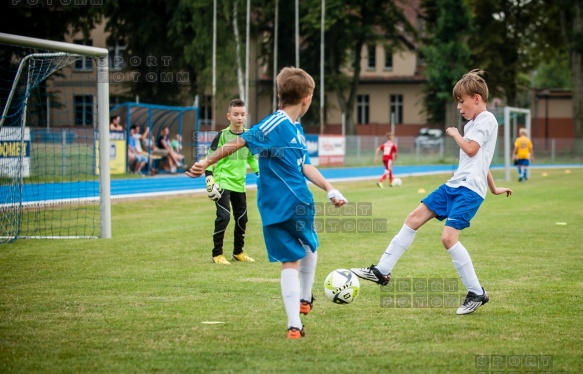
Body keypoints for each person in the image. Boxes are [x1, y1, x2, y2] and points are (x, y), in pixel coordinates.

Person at [186, 67, 348, 339]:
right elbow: (239, 142)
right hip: (295, 201)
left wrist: (330, 188)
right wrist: (207, 161)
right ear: (307, 98)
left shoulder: (296, 129)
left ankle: (295, 323)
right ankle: (305, 299)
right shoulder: (277, 123)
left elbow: (305, 165)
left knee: (291, 259)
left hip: (272, 206)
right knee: (308, 247)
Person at [351, 69, 513, 315]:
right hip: (455, 184)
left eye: (462, 101)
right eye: (457, 102)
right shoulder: (472, 124)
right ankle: (382, 270)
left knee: (448, 238)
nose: (459, 106)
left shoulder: (487, 120)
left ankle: (476, 292)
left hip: (469, 191)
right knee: (413, 218)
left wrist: (456, 134)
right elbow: (480, 160)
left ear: (477, 98)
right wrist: (494, 187)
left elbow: (471, 151)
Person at [204, 99, 259, 265]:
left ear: (246, 116)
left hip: (240, 184)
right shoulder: (221, 135)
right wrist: (209, 177)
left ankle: (238, 252)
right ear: (229, 116)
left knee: (242, 219)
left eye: (242, 114)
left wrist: (260, 174)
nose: (239, 117)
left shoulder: (249, 136)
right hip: (222, 182)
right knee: (224, 217)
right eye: (236, 114)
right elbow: (209, 157)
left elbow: (251, 158)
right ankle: (217, 254)